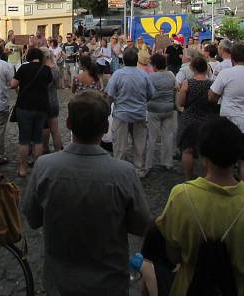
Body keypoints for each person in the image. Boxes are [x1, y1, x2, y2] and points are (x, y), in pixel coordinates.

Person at [22, 92, 151, 295]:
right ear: (106, 127)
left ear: (68, 123)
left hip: (60, 280)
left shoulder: (45, 167)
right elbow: (142, 224)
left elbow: (32, 217)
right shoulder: (123, 173)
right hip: (109, 281)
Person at [158, 117, 244, 296]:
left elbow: (172, 253)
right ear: (237, 157)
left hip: (190, 285)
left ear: (203, 157)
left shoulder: (181, 195)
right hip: (240, 287)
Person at [209, 43, 244, 181]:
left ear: (232, 58)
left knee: (226, 159)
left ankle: (227, 185)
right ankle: (243, 188)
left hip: (229, 122)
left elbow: (212, 96)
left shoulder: (226, 73)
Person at [106, 47, 155, 178]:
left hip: (121, 114)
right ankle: (139, 170)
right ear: (136, 60)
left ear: (124, 60)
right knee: (139, 144)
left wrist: (107, 107)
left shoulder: (117, 74)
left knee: (120, 145)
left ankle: (119, 170)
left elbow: (110, 95)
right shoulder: (144, 75)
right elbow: (151, 94)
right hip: (139, 113)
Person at [12, 47, 53, 177]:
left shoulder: (23, 68)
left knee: (24, 139)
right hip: (41, 106)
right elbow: (49, 83)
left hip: (25, 106)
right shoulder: (46, 70)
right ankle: (37, 167)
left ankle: (23, 168)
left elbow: (13, 84)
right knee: (38, 139)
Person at [177, 56, 216, 180]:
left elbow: (181, 103)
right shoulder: (211, 84)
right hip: (205, 119)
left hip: (189, 118)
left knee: (187, 150)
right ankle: (206, 178)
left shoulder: (187, 83)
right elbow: (214, 102)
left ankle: (188, 177)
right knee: (204, 152)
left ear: (193, 68)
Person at [147, 53, 178, 171]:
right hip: (169, 108)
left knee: (152, 137)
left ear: (154, 66)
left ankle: (148, 163)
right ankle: (167, 162)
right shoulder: (171, 75)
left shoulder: (151, 77)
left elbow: (147, 93)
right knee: (168, 136)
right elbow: (176, 88)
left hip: (153, 109)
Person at [42, 48, 64, 154]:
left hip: (45, 99)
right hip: (54, 99)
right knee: (55, 129)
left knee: (44, 127)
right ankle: (58, 151)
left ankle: (44, 148)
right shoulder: (55, 68)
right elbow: (58, 85)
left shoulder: (43, 69)